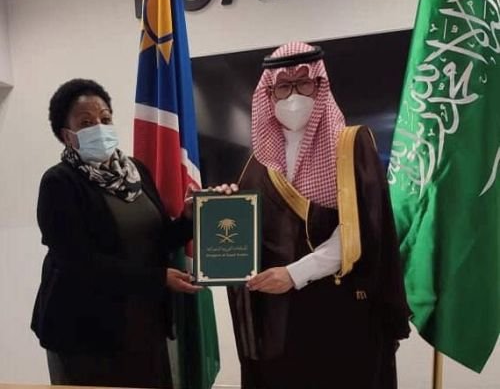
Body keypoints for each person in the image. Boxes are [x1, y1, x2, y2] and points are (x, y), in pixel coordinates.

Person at [227, 42, 410, 389]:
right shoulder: (258, 161)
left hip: (338, 309)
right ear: (269, 93)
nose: (294, 96)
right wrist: (217, 207)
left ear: (319, 84)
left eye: (304, 83)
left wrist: (295, 273)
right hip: (277, 319)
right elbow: (244, 232)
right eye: (284, 86)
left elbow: (361, 227)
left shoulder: (352, 145)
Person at [31, 78, 201, 389]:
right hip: (86, 332)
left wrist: (188, 220)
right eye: (86, 123)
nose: (99, 127)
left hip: (145, 322)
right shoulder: (59, 183)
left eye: (105, 118)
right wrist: (157, 278)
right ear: (67, 135)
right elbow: (78, 263)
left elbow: (157, 239)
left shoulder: (136, 171)